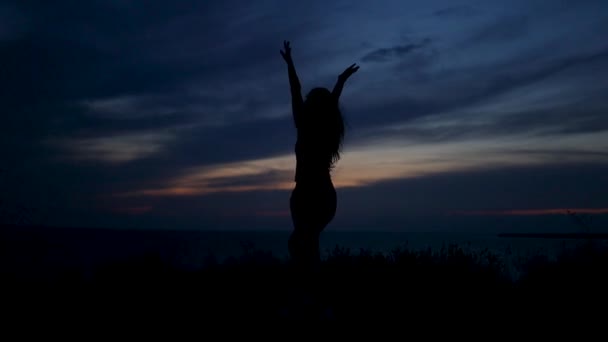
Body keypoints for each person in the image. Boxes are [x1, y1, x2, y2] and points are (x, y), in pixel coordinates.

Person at [280, 40, 359, 267]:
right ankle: (314, 290)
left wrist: (290, 63)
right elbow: (307, 95)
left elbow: (296, 90)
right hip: (318, 195)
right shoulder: (322, 128)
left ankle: (309, 290)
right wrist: (340, 81)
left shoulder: (307, 125)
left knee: (299, 245)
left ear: (312, 105)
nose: (305, 101)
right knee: (308, 245)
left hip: (311, 194)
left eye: (309, 100)